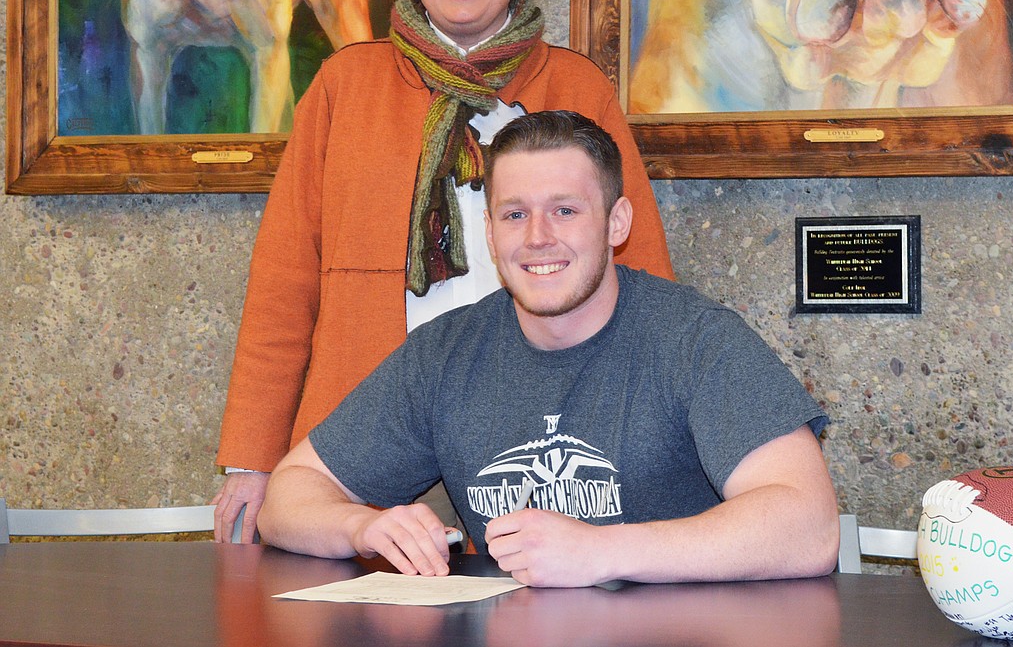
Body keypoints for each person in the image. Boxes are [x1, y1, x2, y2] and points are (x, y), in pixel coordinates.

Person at [212, 0, 674, 543]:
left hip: (545, 444)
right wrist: (252, 459)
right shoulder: (344, 86)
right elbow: (283, 284)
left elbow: (644, 284)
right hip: (364, 445)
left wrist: (659, 449)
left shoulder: (578, 89)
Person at [258, 111, 838, 586]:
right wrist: (359, 528)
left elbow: (807, 525)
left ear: (616, 223)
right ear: (489, 235)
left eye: (565, 211)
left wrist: (601, 552)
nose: (537, 237)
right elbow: (288, 496)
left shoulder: (695, 340)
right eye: (515, 214)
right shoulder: (445, 354)